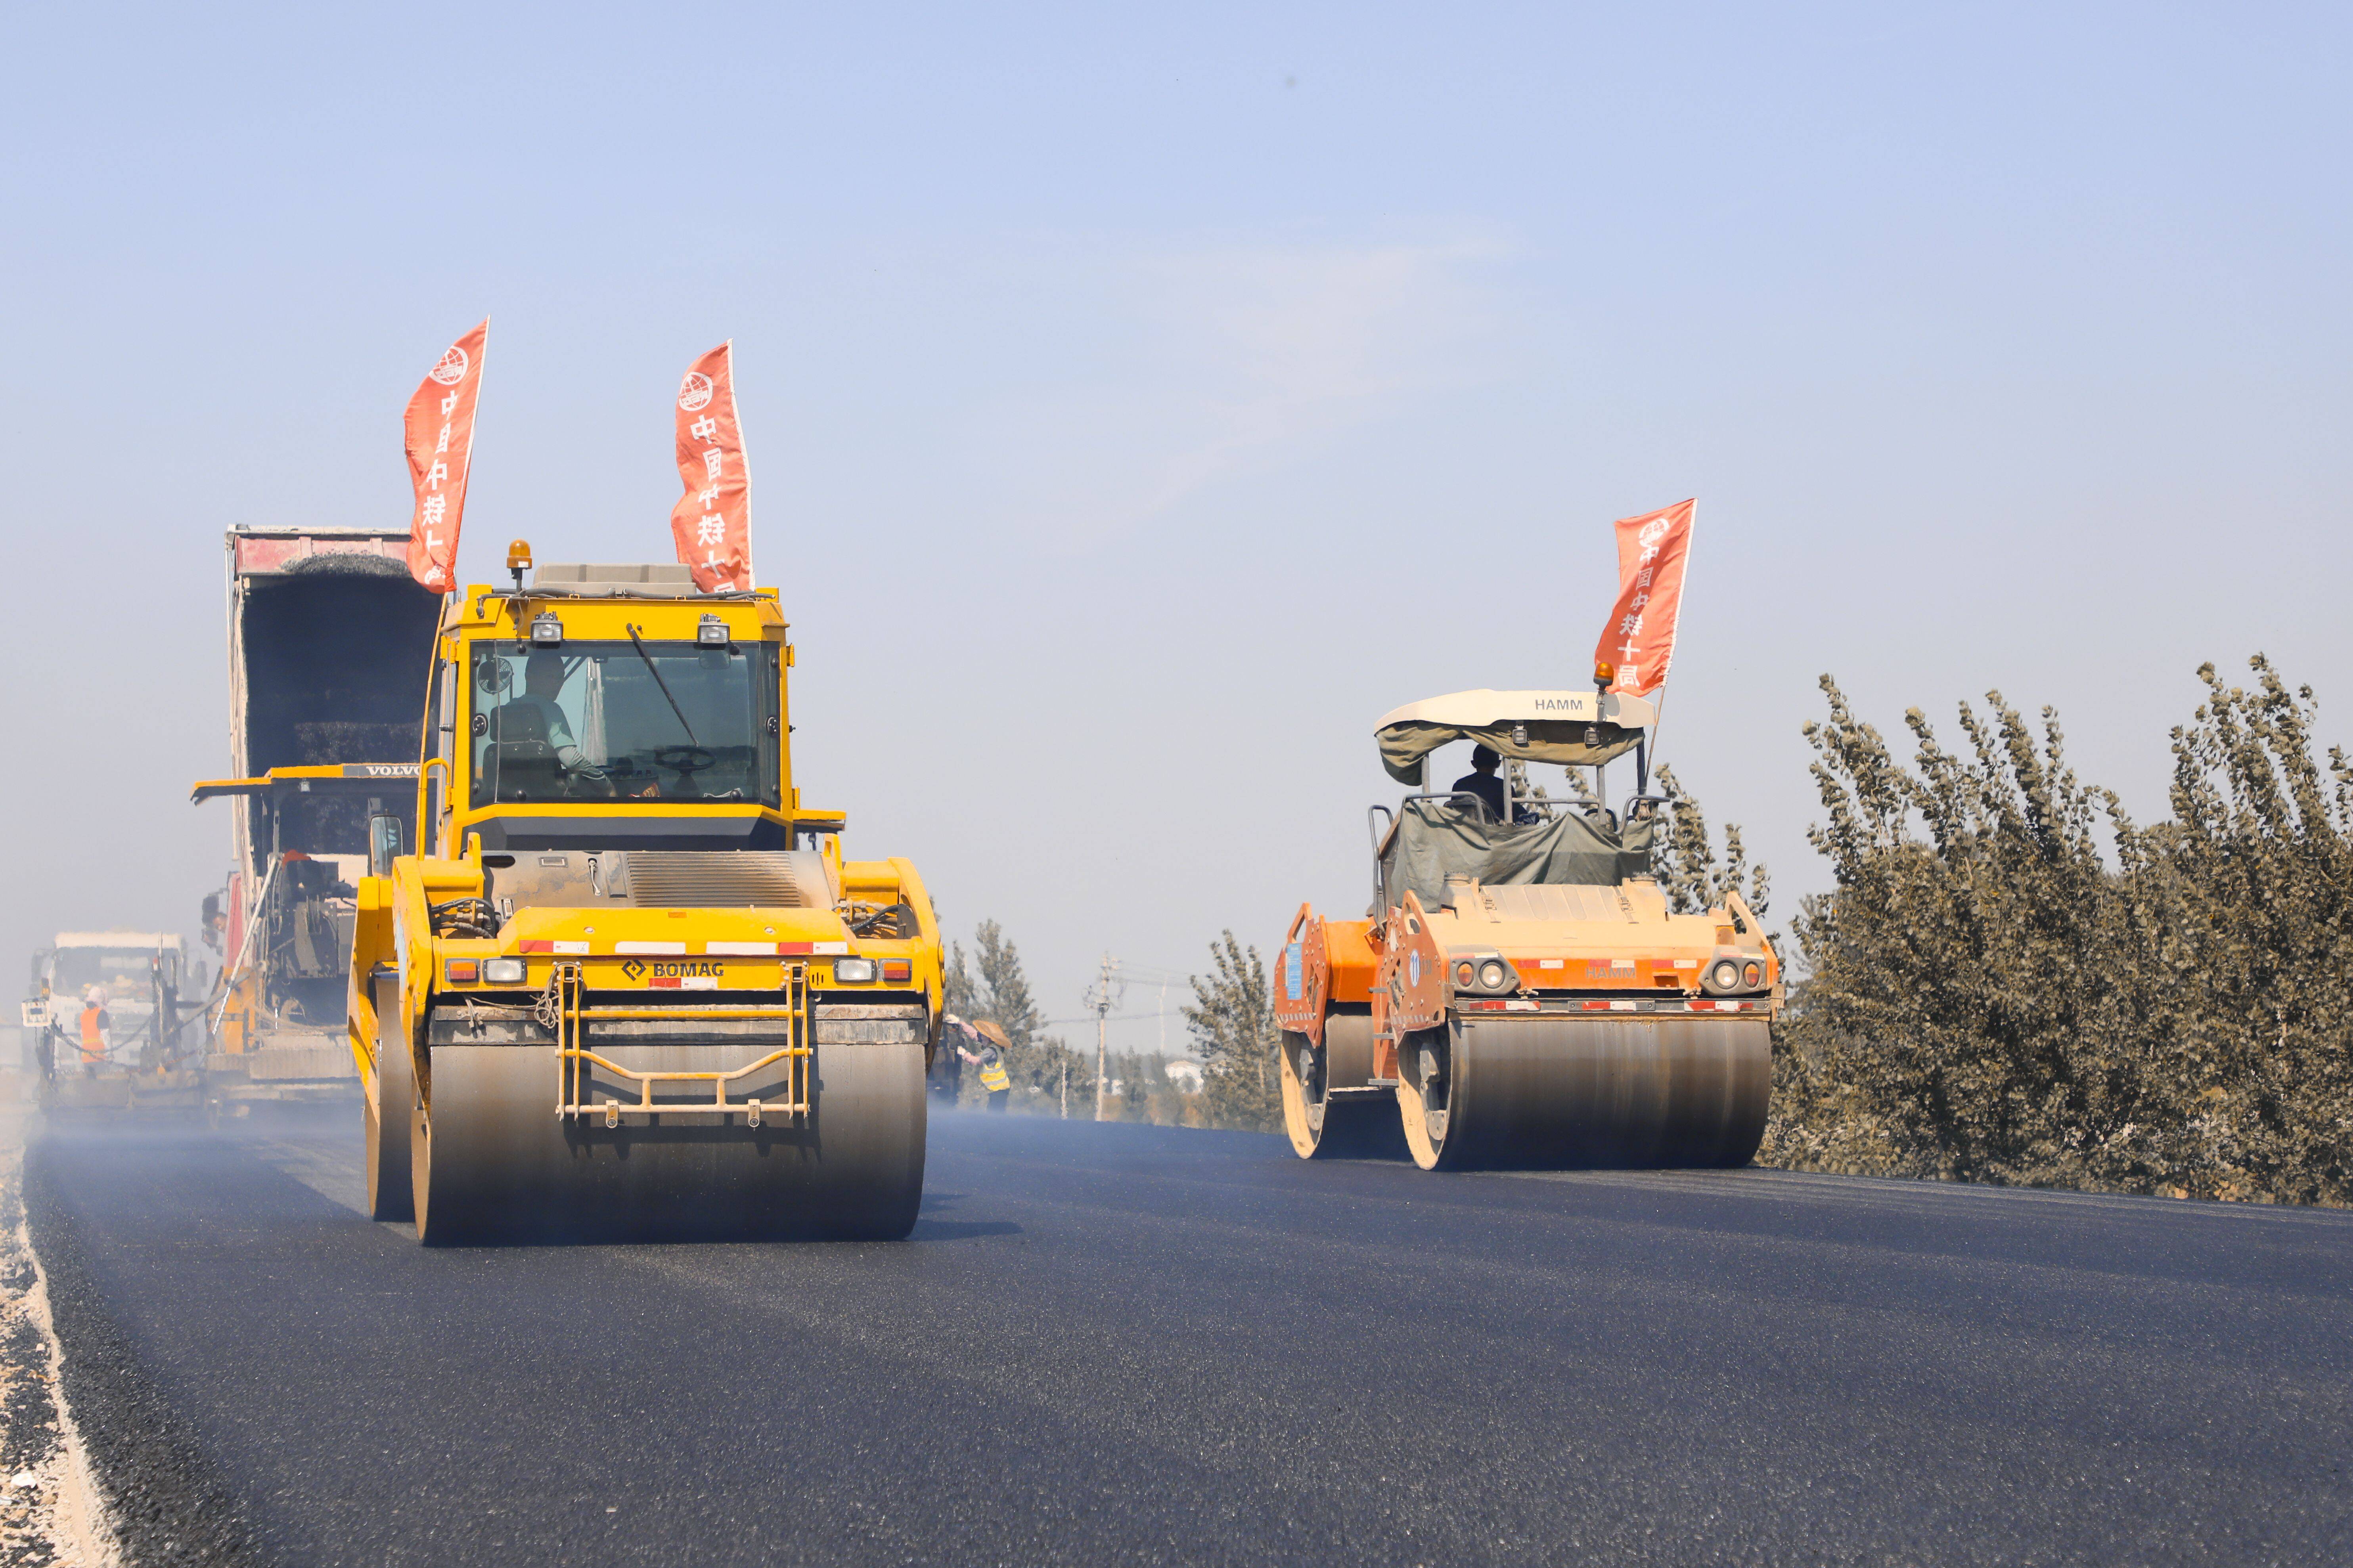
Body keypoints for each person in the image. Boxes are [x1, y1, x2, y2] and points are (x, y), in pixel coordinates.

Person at [495, 652, 607, 789]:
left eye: (560, 678)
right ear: (529, 677)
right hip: (547, 799)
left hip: (510, 797)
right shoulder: (550, 708)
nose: (557, 684)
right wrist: (604, 782)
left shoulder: (509, 709)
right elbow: (570, 759)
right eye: (550, 677)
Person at [959, 1020, 1013, 1112]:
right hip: (999, 1090)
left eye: (983, 1036)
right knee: (994, 1113)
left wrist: (964, 1054)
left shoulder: (990, 1051)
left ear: (989, 1038)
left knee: (995, 1115)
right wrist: (961, 1024)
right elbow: (975, 1035)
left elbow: (977, 1061)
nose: (981, 1037)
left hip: (999, 1090)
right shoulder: (993, 1046)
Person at [77, 986, 110, 1078]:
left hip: (86, 1058)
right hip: (99, 1058)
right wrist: (109, 1055)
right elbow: (105, 1035)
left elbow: (82, 1036)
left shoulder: (84, 1015)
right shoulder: (101, 1013)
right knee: (101, 1085)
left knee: (90, 1084)